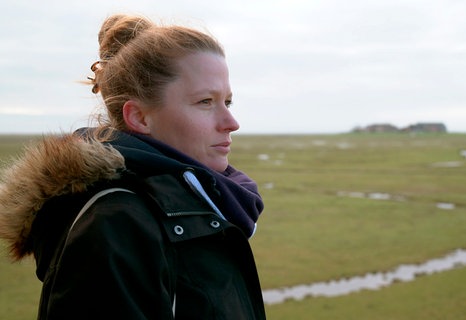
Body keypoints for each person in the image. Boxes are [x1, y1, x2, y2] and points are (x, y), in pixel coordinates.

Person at [0, 14, 266, 319]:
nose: (231, 123)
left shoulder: (196, 205)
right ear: (139, 117)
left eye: (227, 102)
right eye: (205, 102)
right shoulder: (114, 226)